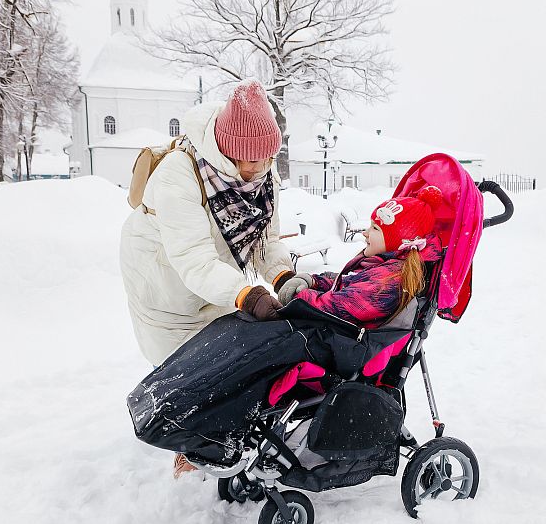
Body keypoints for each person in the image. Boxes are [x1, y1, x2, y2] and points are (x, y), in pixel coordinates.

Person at [120, 80, 296, 370]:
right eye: (250, 159)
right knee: (181, 375)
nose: (258, 167)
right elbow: (194, 258)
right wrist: (248, 296)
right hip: (166, 289)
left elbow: (265, 238)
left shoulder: (262, 172)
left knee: (224, 368)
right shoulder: (178, 174)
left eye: (266, 157)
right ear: (228, 150)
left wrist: (283, 277)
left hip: (218, 280)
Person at [278, 187, 444, 326]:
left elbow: (335, 308)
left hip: (340, 345)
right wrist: (314, 281)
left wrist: (299, 296)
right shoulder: (385, 266)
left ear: (400, 241)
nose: (365, 233)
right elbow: (349, 283)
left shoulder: (390, 281)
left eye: (375, 229)